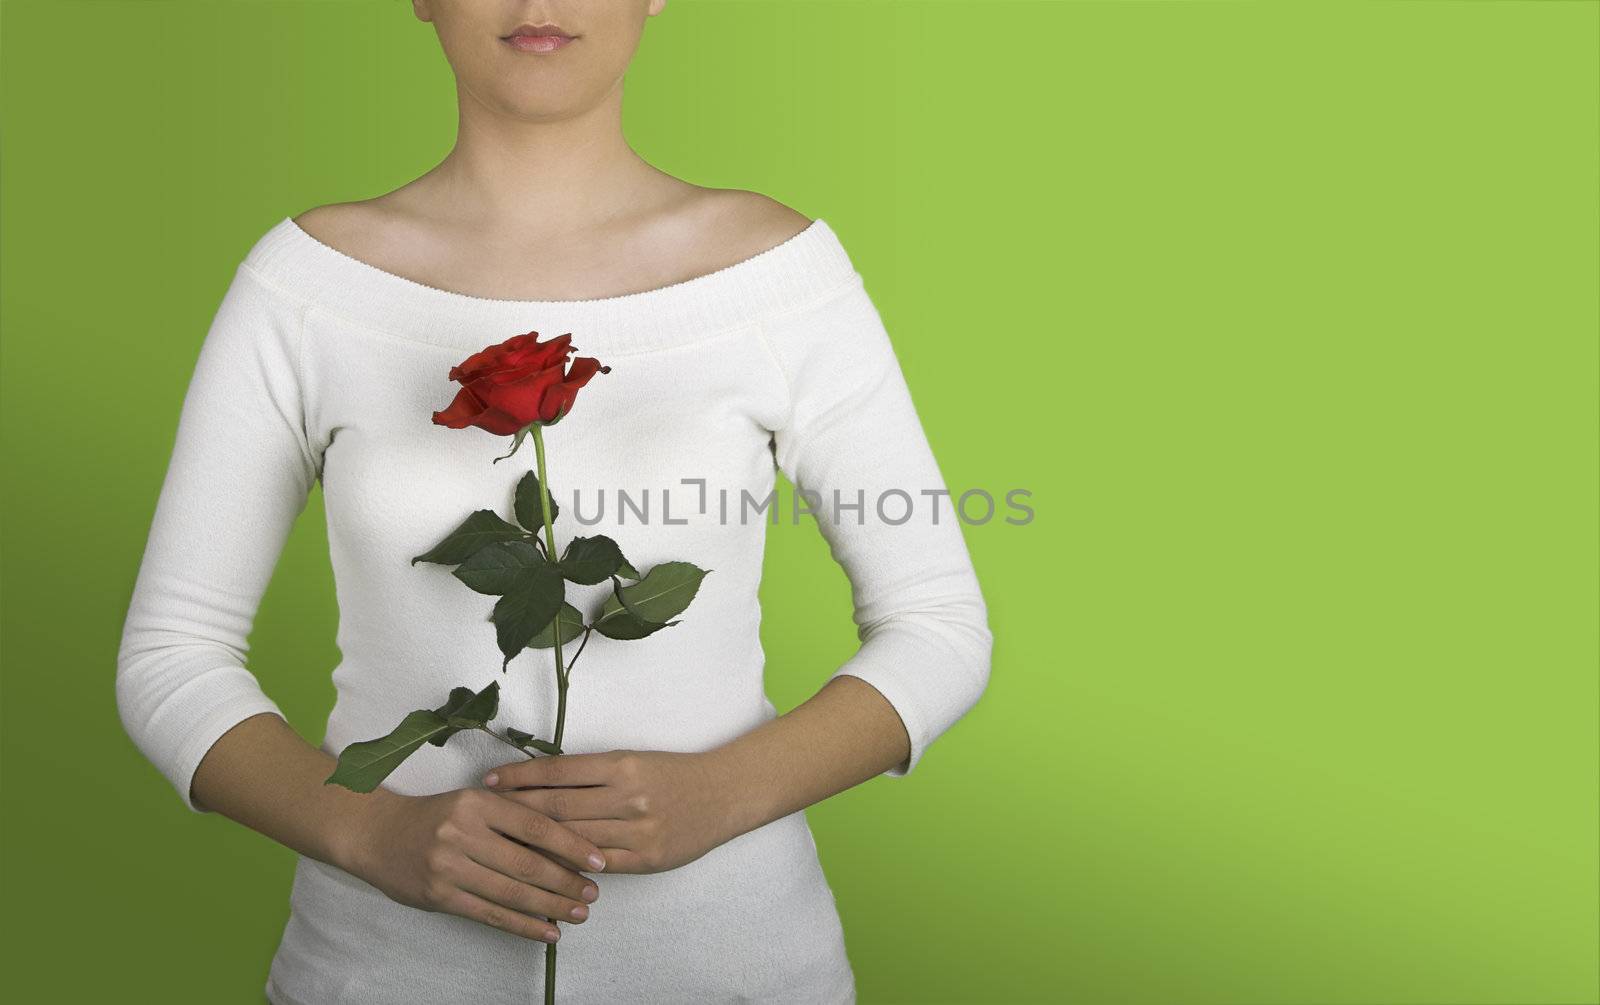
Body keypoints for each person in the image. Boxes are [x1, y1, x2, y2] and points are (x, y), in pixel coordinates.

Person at [115, 2, 992, 1003]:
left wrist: (719, 794)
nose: (537, 5)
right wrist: (372, 830)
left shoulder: (774, 279)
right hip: (377, 975)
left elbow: (937, 626)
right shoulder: (309, 288)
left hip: (739, 972)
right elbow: (172, 656)